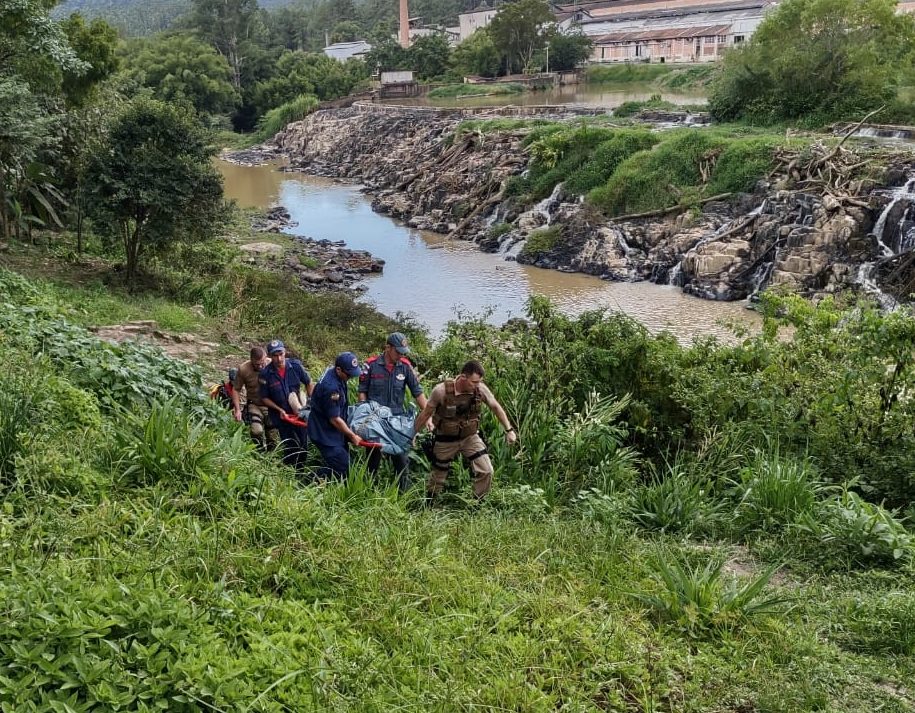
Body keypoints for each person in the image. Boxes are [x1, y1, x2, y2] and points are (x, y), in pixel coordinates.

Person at [413, 359, 517, 501]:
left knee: (487, 470)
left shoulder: (480, 389)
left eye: (479, 382)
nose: (477, 385)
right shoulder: (441, 391)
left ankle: (477, 504)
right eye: (474, 382)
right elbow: (426, 413)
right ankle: (430, 503)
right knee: (438, 475)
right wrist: (412, 434)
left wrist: (509, 430)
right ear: (463, 377)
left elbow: (495, 406)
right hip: (445, 439)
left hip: (470, 437)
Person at [358, 332, 428, 492]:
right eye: (398, 351)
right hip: (375, 422)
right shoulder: (371, 365)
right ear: (387, 347)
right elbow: (362, 392)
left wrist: (428, 415)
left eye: (403, 352)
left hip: (396, 424)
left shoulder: (405, 366)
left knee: (401, 461)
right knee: (372, 461)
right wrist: (364, 418)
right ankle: (367, 493)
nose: (401, 355)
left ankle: (402, 497)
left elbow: (418, 393)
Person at [308, 351, 364, 480]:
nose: (350, 377)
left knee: (342, 463)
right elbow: (334, 419)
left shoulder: (336, 375)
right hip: (325, 433)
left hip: (334, 432)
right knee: (344, 468)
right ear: (339, 369)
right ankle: (308, 480)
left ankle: (329, 484)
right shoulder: (331, 387)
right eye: (348, 374)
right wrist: (352, 435)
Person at [258, 339, 313, 472]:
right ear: (270, 356)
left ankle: (299, 472)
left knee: (304, 447)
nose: (279, 358)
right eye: (275, 355)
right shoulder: (265, 374)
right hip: (282, 416)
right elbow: (264, 398)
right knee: (291, 445)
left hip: (299, 414)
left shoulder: (295, 366)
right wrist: (279, 409)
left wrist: (310, 401)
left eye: (281, 354)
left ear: (285, 352)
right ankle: (288, 472)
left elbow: (308, 382)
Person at [231, 346, 275, 449]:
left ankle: (272, 454)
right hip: (254, 403)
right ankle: (258, 451)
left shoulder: (273, 364)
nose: (261, 367)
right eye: (257, 364)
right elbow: (236, 389)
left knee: (273, 434)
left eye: (263, 363)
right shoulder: (244, 369)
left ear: (266, 357)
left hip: (272, 404)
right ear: (251, 360)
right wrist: (238, 410)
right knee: (256, 431)